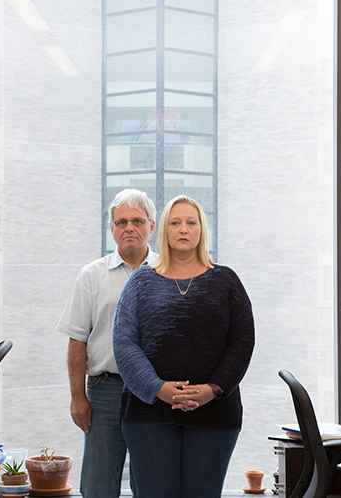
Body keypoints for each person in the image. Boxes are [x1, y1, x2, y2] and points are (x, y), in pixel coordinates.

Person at [112, 194, 255, 498]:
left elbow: (242, 342)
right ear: (163, 229)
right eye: (175, 222)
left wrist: (212, 389)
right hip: (148, 413)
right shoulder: (141, 281)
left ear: (202, 229)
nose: (183, 229)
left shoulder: (226, 280)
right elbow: (124, 343)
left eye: (191, 222)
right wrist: (158, 388)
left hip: (215, 414)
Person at [56, 188, 158, 498]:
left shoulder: (167, 273)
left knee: (153, 483)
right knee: (98, 485)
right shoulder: (91, 276)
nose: (130, 228)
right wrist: (77, 396)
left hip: (154, 392)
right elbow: (77, 340)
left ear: (151, 226)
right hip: (105, 390)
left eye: (138, 221)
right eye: (122, 221)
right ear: (111, 228)